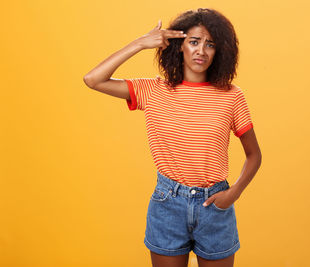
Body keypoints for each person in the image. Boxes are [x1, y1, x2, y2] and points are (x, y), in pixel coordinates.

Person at [83, 8, 262, 267]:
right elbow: (93, 79)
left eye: (210, 44)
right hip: (168, 203)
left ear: (218, 51)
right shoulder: (153, 90)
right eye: (193, 42)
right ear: (179, 47)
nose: (201, 50)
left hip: (215, 205)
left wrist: (233, 193)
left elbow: (254, 155)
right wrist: (141, 43)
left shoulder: (231, 96)